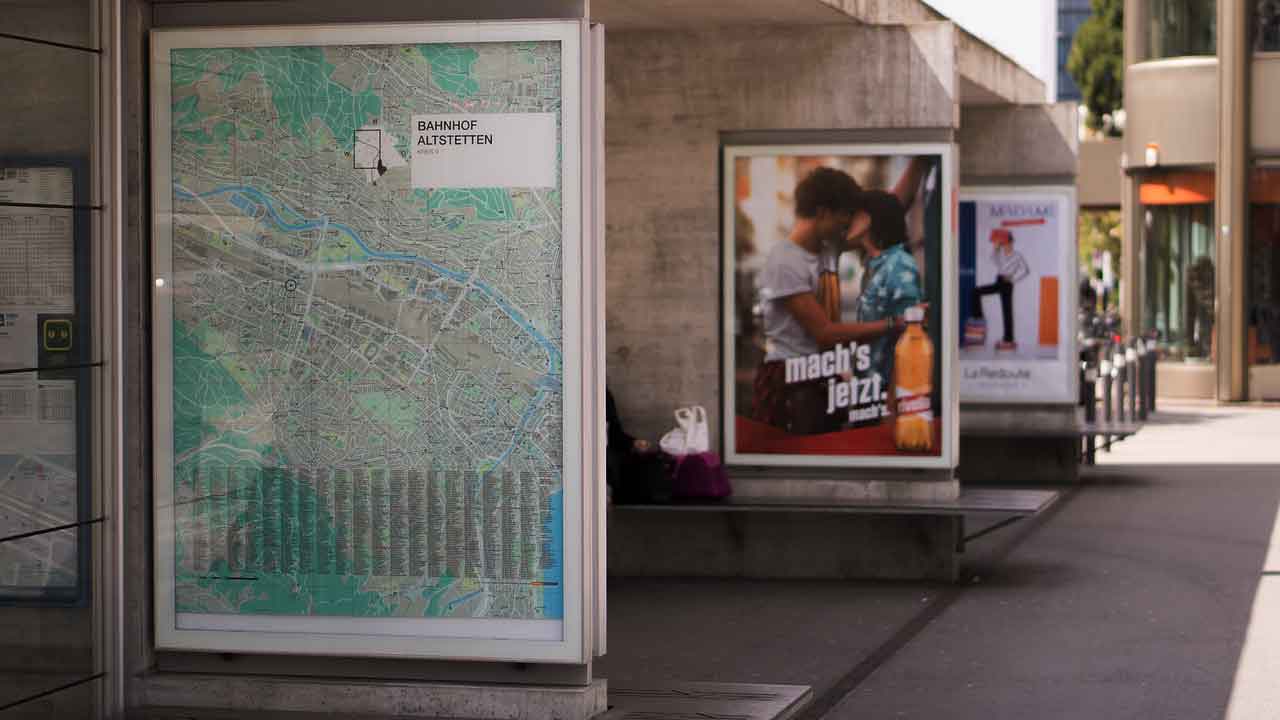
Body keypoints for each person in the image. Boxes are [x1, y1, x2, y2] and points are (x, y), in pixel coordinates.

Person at [751, 168, 901, 434]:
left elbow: (887, 212)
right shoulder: (784, 261)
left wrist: (922, 163)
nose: (848, 224)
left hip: (819, 376)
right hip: (791, 382)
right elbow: (825, 333)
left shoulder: (827, 247)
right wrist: (893, 324)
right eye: (845, 215)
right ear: (822, 212)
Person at [847, 190, 925, 386]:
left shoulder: (899, 265)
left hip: (888, 394)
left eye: (853, 214)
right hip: (869, 388)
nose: (846, 220)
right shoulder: (873, 266)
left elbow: (912, 334)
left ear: (867, 220)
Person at [966, 228, 1029, 351]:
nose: (1004, 246)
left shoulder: (1017, 256)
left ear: (1011, 243)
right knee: (976, 291)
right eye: (1003, 244)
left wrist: (1013, 279)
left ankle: (1008, 339)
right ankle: (978, 318)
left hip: (1007, 284)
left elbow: (1025, 270)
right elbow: (993, 260)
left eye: (1006, 244)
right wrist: (995, 247)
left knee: (1007, 311)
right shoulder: (1000, 253)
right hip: (998, 280)